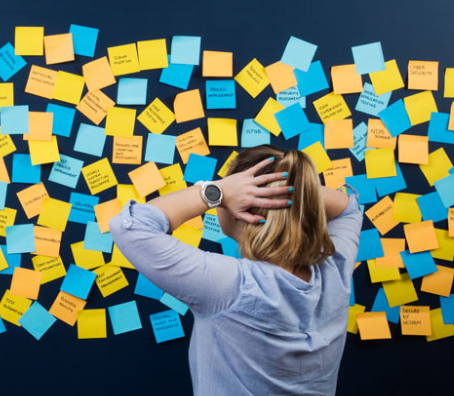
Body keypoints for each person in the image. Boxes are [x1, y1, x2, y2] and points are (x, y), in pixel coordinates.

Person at [110, 144, 362, 396]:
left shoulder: (231, 286)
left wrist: (215, 191)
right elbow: (348, 208)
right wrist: (293, 187)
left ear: (238, 208)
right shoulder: (335, 269)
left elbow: (130, 226)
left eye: (226, 191)